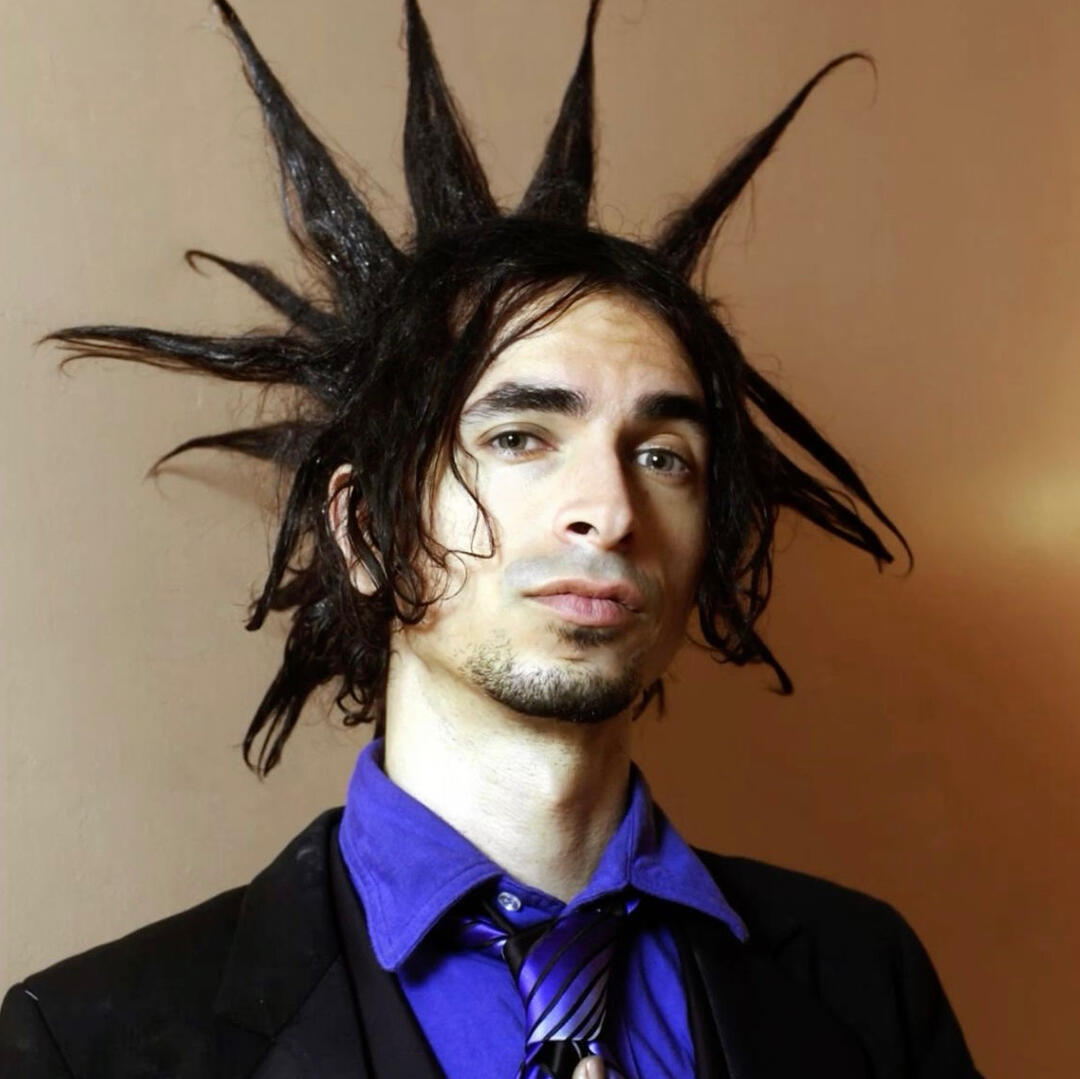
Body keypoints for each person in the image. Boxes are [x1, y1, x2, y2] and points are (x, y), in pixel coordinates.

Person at [0, 2, 983, 1076]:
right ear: (366, 530)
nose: (610, 509)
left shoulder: (867, 982)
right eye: (519, 437)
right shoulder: (86, 1041)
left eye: (664, 456)